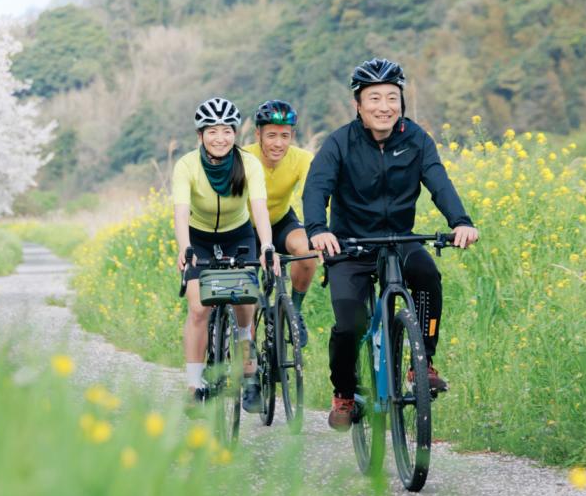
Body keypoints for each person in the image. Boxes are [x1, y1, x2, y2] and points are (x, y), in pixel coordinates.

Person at [303, 58, 479, 431]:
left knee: (428, 275)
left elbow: (438, 181)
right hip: (350, 247)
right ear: (358, 104)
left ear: (402, 101)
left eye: (392, 97)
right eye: (374, 98)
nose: (384, 106)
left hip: (399, 241)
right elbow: (317, 187)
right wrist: (319, 229)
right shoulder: (339, 143)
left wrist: (460, 222)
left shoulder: (416, 139)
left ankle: (423, 363)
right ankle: (345, 393)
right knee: (350, 324)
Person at [173, 97, 282, 408]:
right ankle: (194, 386)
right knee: (198, 309)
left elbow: (259, 207)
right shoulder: (186, 165)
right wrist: (185, 249)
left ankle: (249, 370)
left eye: (226, 131)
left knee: (245, 302)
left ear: (235, 133)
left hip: (239, 236)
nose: (220, 138)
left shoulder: (248, 164)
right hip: (199, 238)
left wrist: (267, 246)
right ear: (200, 136)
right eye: (212, 131)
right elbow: (180, 211)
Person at [250, 99, 316, 346]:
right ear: (258, 134)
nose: (278, 143)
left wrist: (321, 229)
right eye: (271, 136)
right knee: (247, 294)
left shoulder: (302, 158)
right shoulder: (244, 157)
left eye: (285, 136)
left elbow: (314, 196)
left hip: (279, 220)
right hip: (246, 226)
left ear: (292, 135)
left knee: (308, 250)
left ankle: (295, 311)